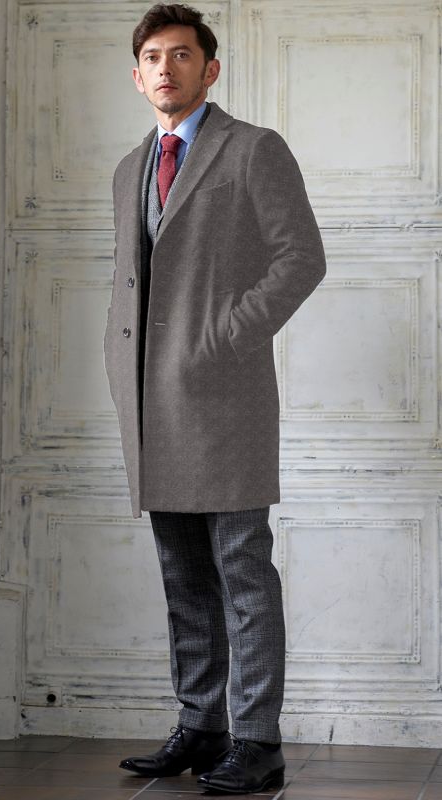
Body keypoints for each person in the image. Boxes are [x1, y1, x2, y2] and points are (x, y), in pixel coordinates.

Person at [103, 3, 326, 794]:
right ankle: (201, 725)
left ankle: (257, 741)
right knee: (182, 575)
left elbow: (299, 258)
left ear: (210, 68)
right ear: (137, 77)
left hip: (223, 397)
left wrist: (224, 335)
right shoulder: (130, 167)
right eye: (152, 57)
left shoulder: (252, 149)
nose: (165, 68)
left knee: (241, 572)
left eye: (181, 54)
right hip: (149, 401)